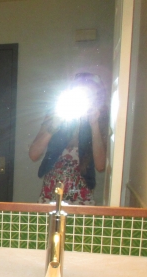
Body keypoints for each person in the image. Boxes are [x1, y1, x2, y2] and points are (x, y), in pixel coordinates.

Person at [29, 73, 108, 205]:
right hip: (50, 195)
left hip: (82, 198)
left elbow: (100, 166)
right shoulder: (55, 114)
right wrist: (54, 125)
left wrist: (94, 125)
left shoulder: (100, 120)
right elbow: (33, 154)